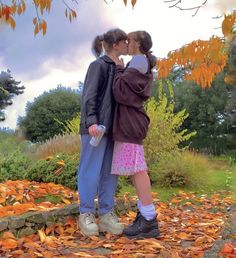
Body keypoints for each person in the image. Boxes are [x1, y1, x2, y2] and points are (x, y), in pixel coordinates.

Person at [78, 28, 128, 236]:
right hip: (95, 128)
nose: (128, 44)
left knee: (110, 172)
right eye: (125, 41)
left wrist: (121, 72)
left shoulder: (120, 68)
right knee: (90, 170)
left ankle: (107, 214)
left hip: (114, 129)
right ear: (116, 44)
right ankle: (86, 214)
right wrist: (91, 121)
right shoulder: (97, 65)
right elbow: (89, 95)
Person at [111, 30, 160, 239]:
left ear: (138, 43)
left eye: (129, 40)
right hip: (132, 122)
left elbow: (119, 91)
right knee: (136, 170)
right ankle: (145, 216)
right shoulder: (139, 62)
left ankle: (149, 220)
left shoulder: (138, 61)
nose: (126, 43)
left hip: (131, 123)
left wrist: (119, 70)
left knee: (138, 170)